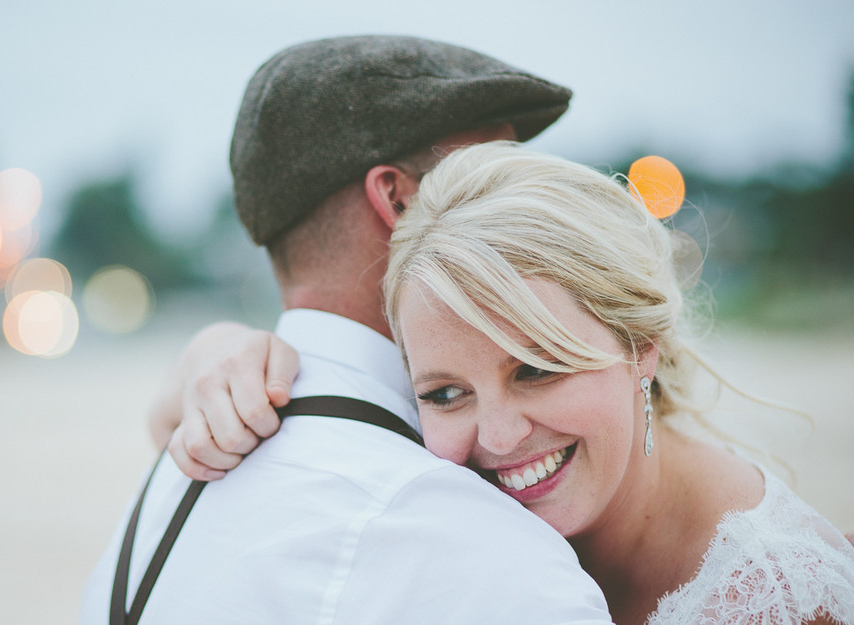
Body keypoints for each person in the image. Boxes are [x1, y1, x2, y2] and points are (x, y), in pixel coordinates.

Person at [158, 143, 854, 625]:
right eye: (445, 393)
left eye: (538, 368)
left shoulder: (782, 597)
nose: (496, 436)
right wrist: (213, 350)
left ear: (642, 344)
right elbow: (168, 420)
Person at [81, 36, 614, 624]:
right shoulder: (467, 543)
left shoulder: (165, 487)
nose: (528, 207)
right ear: (398, 199)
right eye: (492, 176)